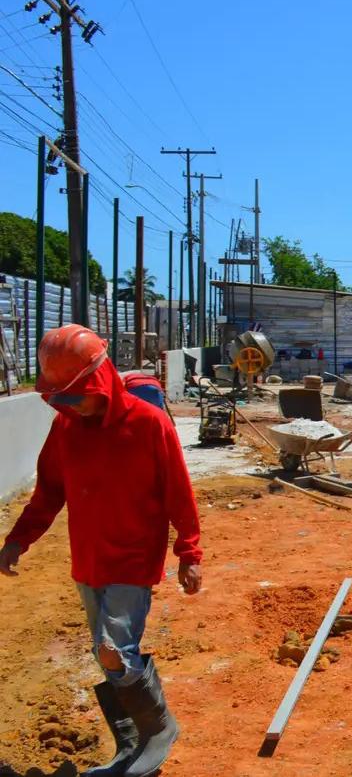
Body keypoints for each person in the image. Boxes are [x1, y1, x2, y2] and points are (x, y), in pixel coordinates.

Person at [0, 324, 203, 777]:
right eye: (58, 399)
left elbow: (179, 493)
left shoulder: (149, 425)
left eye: (74, 397)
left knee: (114, 650)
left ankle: (160, 729)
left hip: (132, 559)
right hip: (88, 560)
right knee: (105, 653)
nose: (68, 407)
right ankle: (131, 747)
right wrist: (17, 540)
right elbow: (48, 493)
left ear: (100, 382)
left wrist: (189, 553)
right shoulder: (66, 429)